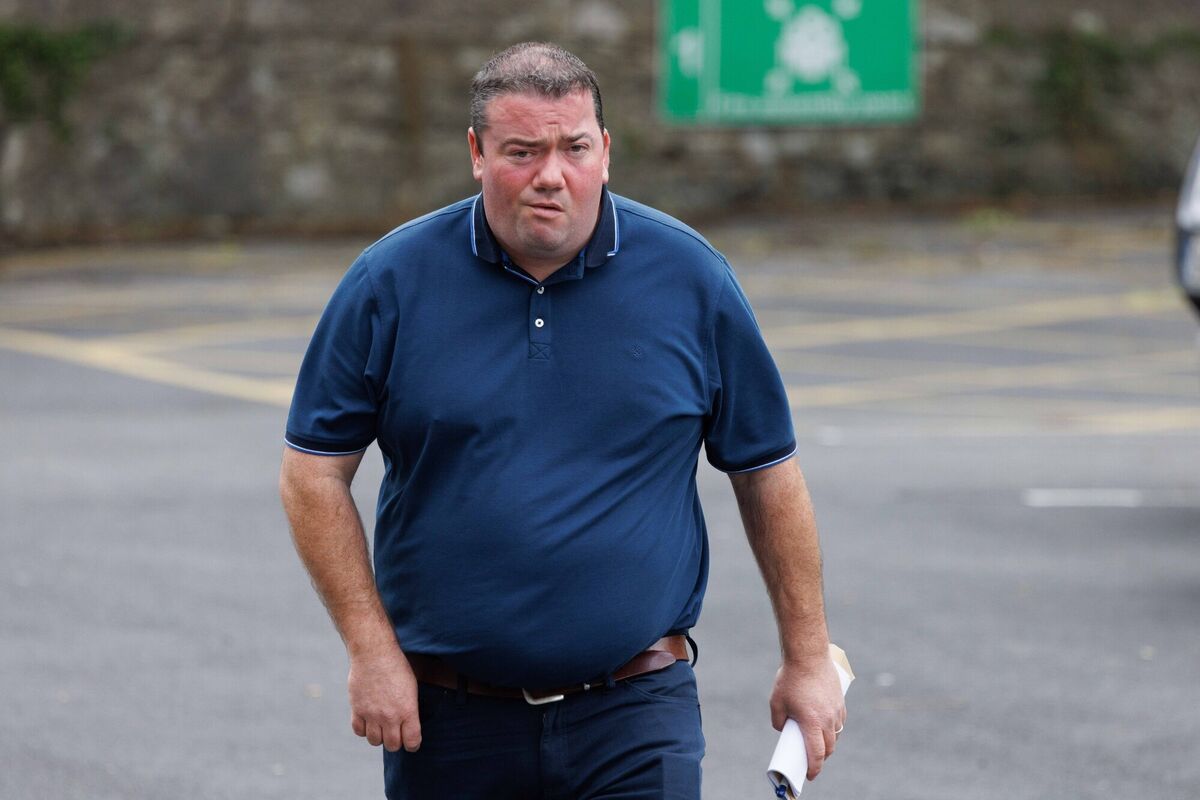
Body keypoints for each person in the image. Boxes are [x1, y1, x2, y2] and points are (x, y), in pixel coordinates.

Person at [279, 41, 845, 800]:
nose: (552, 175)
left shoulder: (691, 279)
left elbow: (766, 471)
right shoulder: (391, 282)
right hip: (450, 719)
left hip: (637, 710)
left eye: (574, 147)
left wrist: (807, 657)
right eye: (523, 151)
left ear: (606, 152)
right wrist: (370, 648)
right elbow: (312, 474)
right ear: (477, 153)